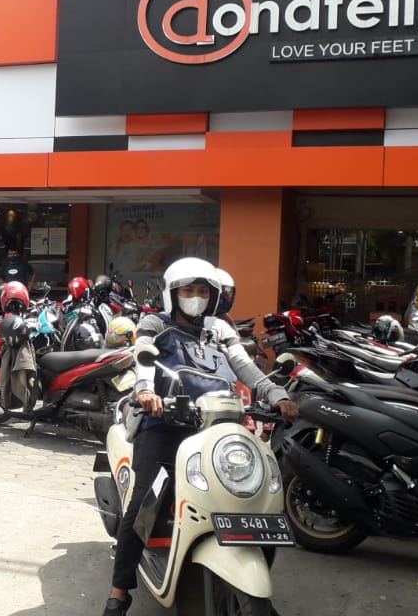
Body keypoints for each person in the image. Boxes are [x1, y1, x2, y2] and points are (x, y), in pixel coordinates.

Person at [102, 257, 299, 616]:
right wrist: (146, 392)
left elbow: (244, 366)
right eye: (188, 290)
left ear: (213, 296)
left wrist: (276, 395)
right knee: (144, 504)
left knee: (257, 495)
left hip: (216, 427)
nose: (196, 297)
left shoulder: (220, 328)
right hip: (163, 425)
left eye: (203, 291)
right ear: (172, 293)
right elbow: (143, 359)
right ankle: (119, 591)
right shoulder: (155, 323)